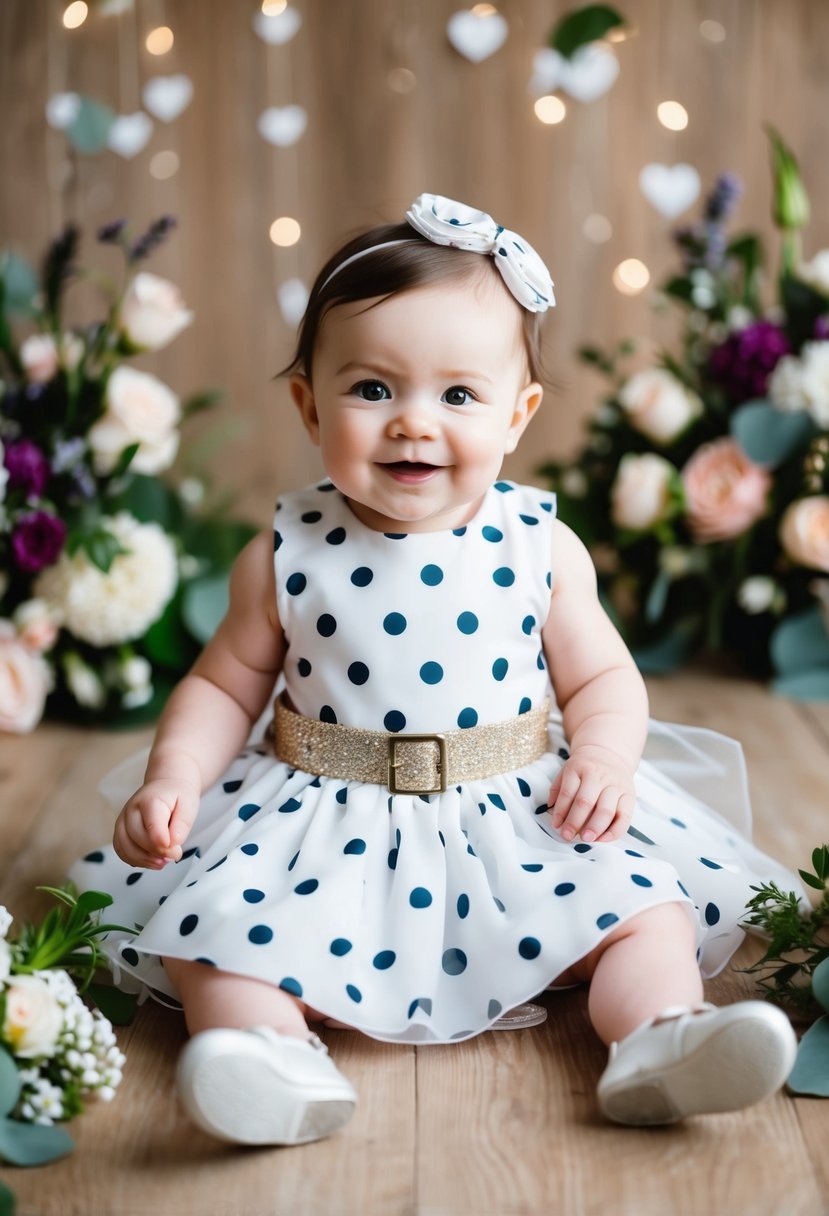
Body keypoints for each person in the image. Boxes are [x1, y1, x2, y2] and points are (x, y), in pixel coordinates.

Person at [71, 193, 799, 1146]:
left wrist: (605, 762)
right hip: (318, 816)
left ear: (516, 415)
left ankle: (661, 1038)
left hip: (512, 807)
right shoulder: (286, 550)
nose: (413, 424)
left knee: (640, 910)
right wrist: (175, 775)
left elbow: (602, 682)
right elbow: (220, 687)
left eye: (458, 396)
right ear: (308, 403)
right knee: (214, 935)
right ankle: (268, 1058)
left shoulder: (538, 544)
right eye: (371, 389)